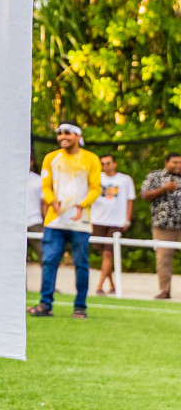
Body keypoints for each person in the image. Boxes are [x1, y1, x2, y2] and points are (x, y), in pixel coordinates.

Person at [29, 122, 102, 318]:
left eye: (67, 132)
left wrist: (83, 204)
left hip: (80, 221)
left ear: (78, 136)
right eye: (60, 133)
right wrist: (52, 202)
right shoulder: (50, 158)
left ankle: (80, 307)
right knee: (49, 260)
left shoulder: (91, 159)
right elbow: (45, 186)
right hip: (54, 222)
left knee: (81, 264)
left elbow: (96, 188)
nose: (63, 136)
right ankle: (45, 305)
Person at [91, 152, 136, 297]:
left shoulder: (124, 179)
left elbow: (130, 199)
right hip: (98, 219)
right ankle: (112, 284)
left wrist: (127, 219)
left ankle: (99, 286)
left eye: (108, 163)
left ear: (114, 164)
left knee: (108, 253)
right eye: (103, 163)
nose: (106, 166)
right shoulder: (95, 178)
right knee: (105, 254)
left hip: (116, 221)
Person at [140, 152, 181, 300]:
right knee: (163, 260)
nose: (178, 165)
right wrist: (164, 188)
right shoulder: (155, 176)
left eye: (180, 163)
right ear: (166, 162)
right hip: (162, 226)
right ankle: (165, 290)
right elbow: (145, 196)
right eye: (174, 162)